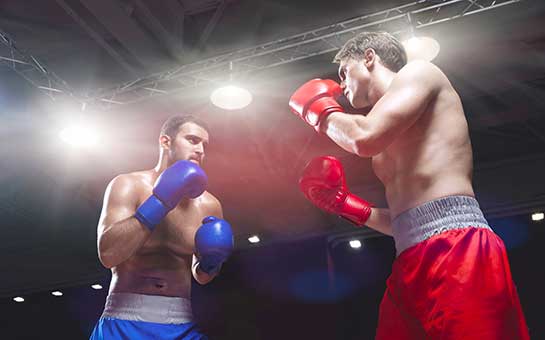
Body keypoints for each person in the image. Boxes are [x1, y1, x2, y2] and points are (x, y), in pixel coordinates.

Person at [289, 32, 529, 339]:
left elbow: (362, 138)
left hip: (460, 250)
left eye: (344, 72)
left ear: (369, 57)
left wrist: (317, 110)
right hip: (409, 259)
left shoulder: (420, 72)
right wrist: (347, 205)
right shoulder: (380, 129)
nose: (342, 85)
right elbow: (411, 221)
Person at [90, 115, 234, 339]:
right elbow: (108, 255)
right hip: (123, 321)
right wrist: (159, 203)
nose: (201, 149)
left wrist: (211, 262)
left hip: (181, 324)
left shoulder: (209, 204)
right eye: (193, 140)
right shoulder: (128, 185)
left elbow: (202, 277)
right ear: (166, 142)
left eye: (205, 144)